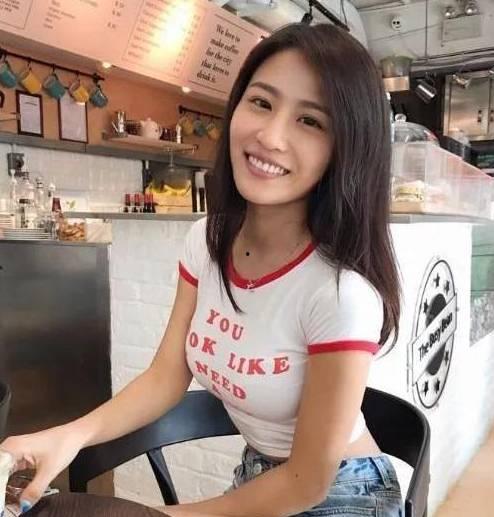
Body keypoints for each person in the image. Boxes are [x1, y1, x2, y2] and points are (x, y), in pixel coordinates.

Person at [0, 23, 402, 517]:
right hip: (260, 475)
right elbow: (167, 376)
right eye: (261, 102)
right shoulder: (207, 241)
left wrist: (161, 516)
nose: (270, 136)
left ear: (346, 147)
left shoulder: (339, 293)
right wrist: (69, 435)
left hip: (343, 493)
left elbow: (306, 483)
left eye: (310, 121)